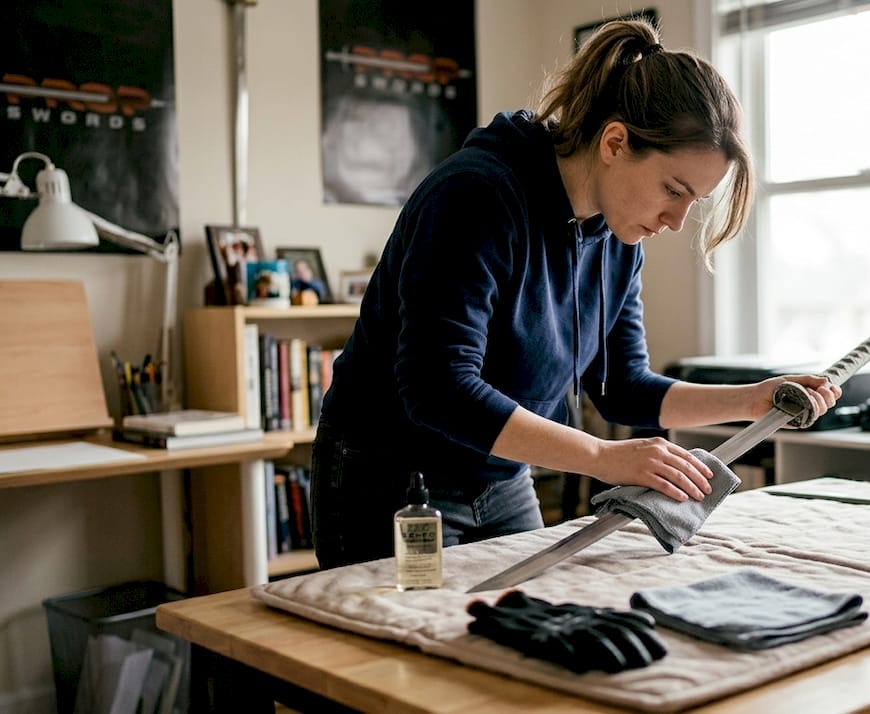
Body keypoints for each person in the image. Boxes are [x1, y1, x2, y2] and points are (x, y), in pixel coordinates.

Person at [310, 20, 840, 569]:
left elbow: (623, 388)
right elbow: (437, 388)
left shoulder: (618, 237)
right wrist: (603, 457)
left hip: (500, 478)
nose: (678, 221)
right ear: (615, 142)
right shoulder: (475, 196)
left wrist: (751, 399)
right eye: (673, 191)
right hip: (392, 476)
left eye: (694, 202)